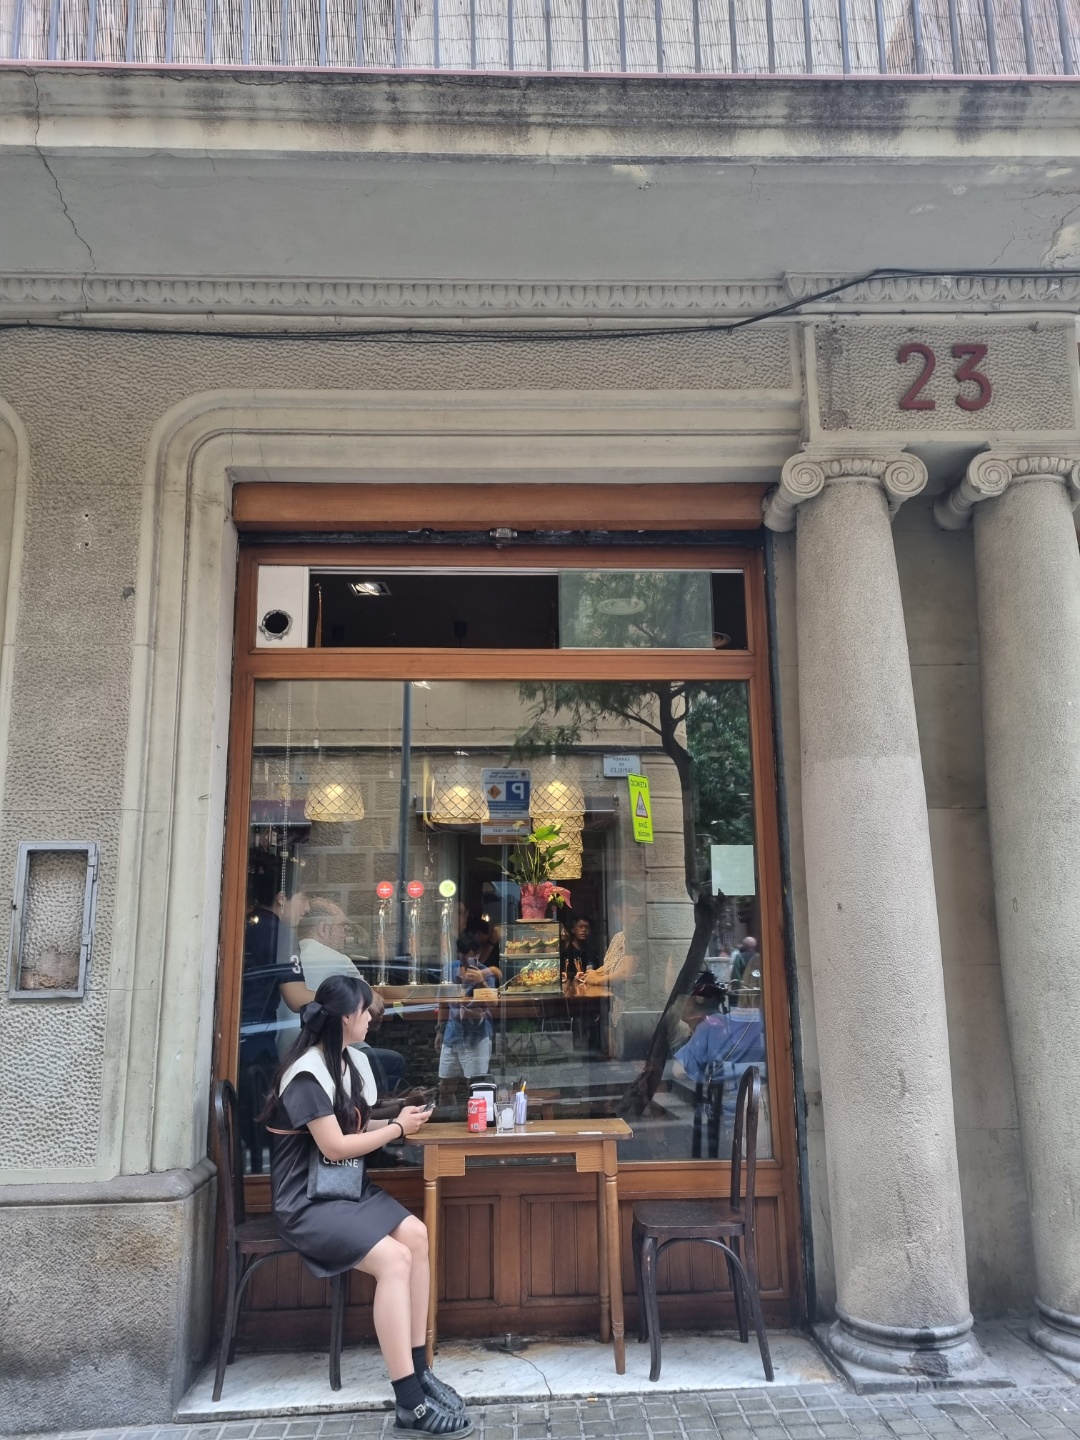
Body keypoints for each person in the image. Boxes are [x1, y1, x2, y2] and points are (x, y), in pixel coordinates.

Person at [259, 974, 471, 1436]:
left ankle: (420, 1371)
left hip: (342, 1189)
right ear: (343, 1019)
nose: (372, 1017)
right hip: (307, 1200)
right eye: (364, 1011)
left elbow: (353, 1122)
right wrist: (397, 1130)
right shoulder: (306, 1075)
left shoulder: (348, 1060)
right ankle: (409, 1402)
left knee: (416, 1235)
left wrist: (401, 1116)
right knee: (394, 1260)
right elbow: (335, 1146)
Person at [238, 857, 310, 1172]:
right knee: (268, 1125)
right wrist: (351, 994)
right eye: (303, 898)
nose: (306, 908)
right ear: (282, 898)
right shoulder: (279, 933)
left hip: (239, 1039)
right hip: (256, 1045)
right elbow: (297, 998)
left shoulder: (247, 923)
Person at [436, 933, 498, 1103]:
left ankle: (475, 1117)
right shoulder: (448, 970)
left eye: (472, 957)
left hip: (476, 1036)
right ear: (458, 953)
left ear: (478, 954)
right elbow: (443, 1003)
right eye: (464, 956)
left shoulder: (485, 972)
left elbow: (493, 1003)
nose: (468, 961)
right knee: (446, 1086)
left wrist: (481, 982)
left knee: (476, 1086)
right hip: (452, 1034)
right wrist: (440, 1030)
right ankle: (448, 1116)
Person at [561, 915, 600, 982]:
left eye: (587, 927)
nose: (584, 930)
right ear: (573, 930)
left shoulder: (592, 952)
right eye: (580, 927)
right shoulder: (567, 952)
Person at [729, 936, 761, 1006]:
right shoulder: (759, 957)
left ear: (744, 946)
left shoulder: (739, 957)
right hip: (758, 989)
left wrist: (739, 988)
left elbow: (736, 975)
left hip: (744, 990)